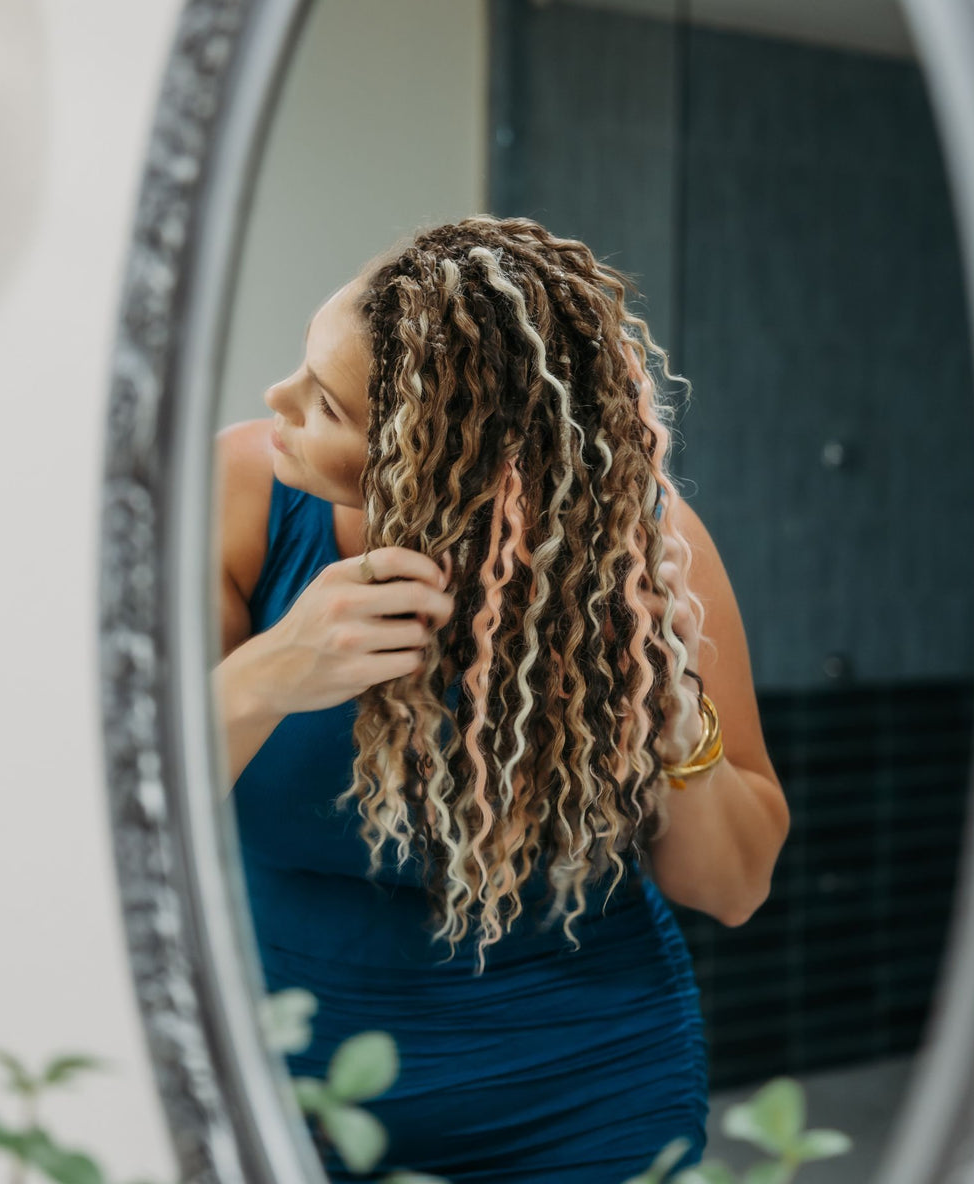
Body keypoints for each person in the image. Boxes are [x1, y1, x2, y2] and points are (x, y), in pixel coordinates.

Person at [215, 215, 790, 1183]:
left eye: (325, 406)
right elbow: (118, 813)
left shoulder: (644, 547)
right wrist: (274, 669)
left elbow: (732, 888)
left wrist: (668, 708)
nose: (275, 400)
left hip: (587, 1087)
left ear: (452, 464)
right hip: (288, 1078)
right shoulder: (237, 491)